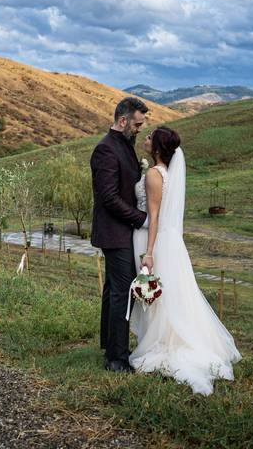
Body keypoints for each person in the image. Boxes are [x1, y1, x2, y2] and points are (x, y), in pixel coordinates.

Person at [129, 126, 241, 394]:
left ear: (156, 148)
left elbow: (154, 217)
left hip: (151, 240)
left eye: (149, 137)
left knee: (157, 295)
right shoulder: (165, 173)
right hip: (165, 240)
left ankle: (161, 344)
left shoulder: (155, 175)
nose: (144, 139)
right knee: (166, 296)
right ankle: (160, 337)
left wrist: (149, 253)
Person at [90, 97, 149, 373]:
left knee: (113, 289)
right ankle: (117, 359)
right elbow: (109, 197)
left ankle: (110, 347)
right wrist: (142, 219)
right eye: (137, 124)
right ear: (123, 120)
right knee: (121, 293)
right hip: (114, 232)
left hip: (122, 231)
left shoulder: (124, 145)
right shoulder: (105, 150)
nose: (139, 129)